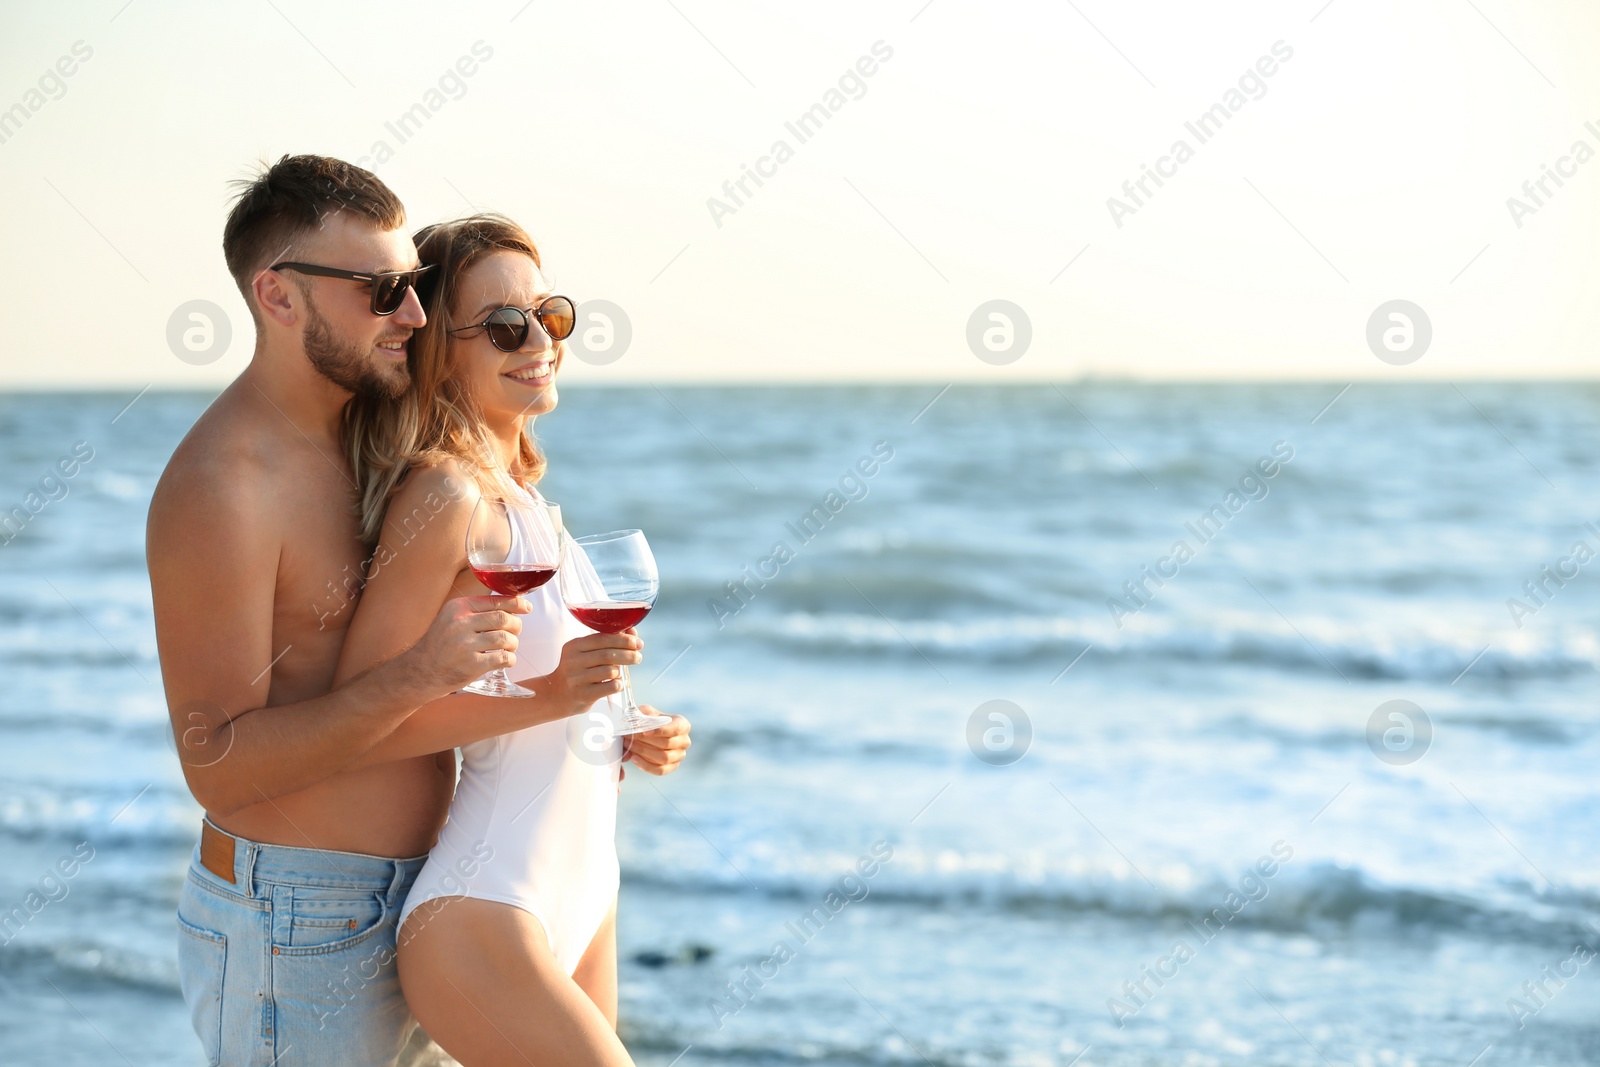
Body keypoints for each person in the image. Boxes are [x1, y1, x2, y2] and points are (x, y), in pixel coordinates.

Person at [146, 155, 690, 1067]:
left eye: (413, 288)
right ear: (278, 297)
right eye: (384, 289)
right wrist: (455, 682)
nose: (413, 312)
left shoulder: (376, 449)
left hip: (421, 887)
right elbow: (216, 764)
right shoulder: (226, 485)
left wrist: (589, 723)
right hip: (302, 911)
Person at [334, 213, 687, 1067]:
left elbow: (544, 703)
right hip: (482, 909)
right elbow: (363, 718)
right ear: (437, 353)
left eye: (549, 314)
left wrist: (624, 729)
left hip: (583, 891)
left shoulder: (524, 504)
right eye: (502, 325)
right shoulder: (445, 495)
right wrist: (556, 696)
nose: (538, 339)